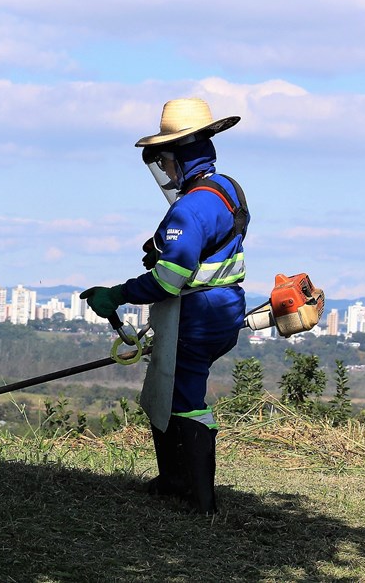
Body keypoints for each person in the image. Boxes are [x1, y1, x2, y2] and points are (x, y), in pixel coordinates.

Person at [80, 98, 249, 514]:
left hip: (198, 316)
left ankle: (200, 499)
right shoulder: (225, 188)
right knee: (170, 391)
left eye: (166, 161)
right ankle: (176, 481)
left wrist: (116, 294)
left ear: (178, 154)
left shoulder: (189, 208)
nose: (166, 171)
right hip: (223, 309)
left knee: (186, 399)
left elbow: (168, 280)